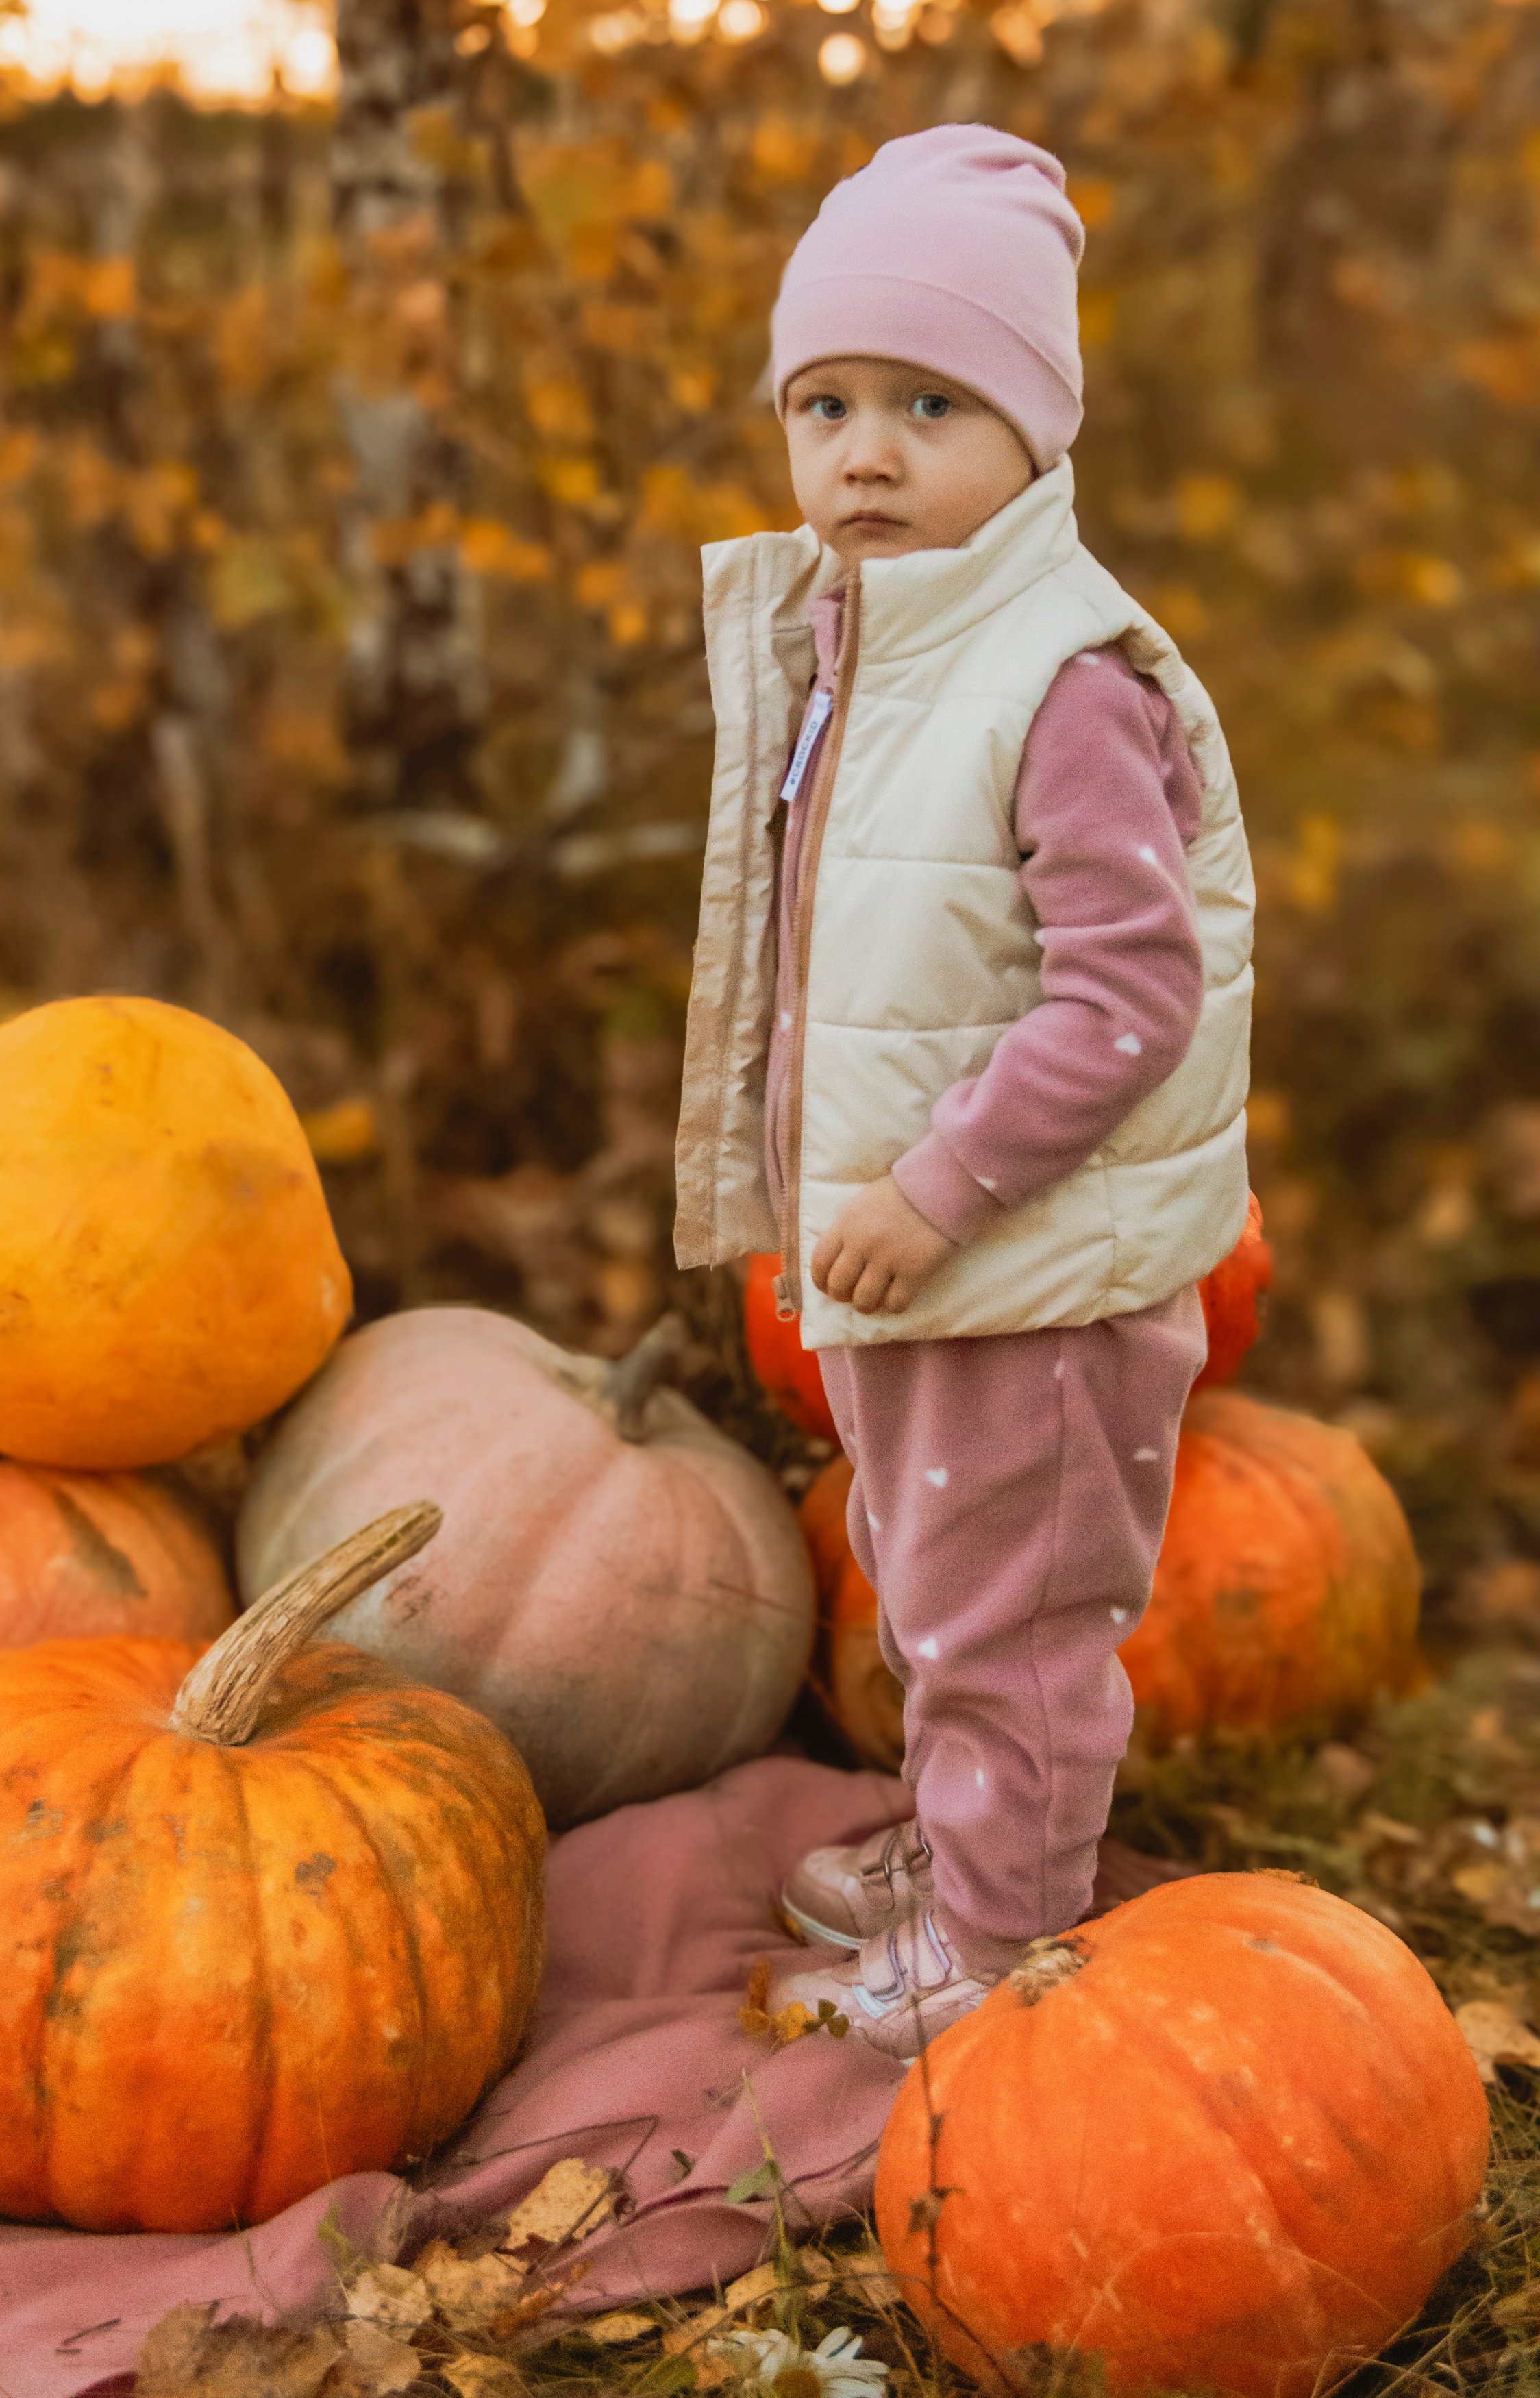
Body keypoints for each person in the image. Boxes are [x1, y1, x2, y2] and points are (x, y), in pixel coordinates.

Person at [672, 124, 1254, 2057]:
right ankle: (968, 1849)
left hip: (1025, 1271)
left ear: (1036, 431)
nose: (864, 450)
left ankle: (1003, 1945)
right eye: (825, 403)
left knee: (1012, 1622)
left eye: (930, 401)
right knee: (935, 1597)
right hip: (925, 1268)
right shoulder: (869, 644)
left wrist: (933, 1188)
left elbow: (1131, 991)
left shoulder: (1060, 681)